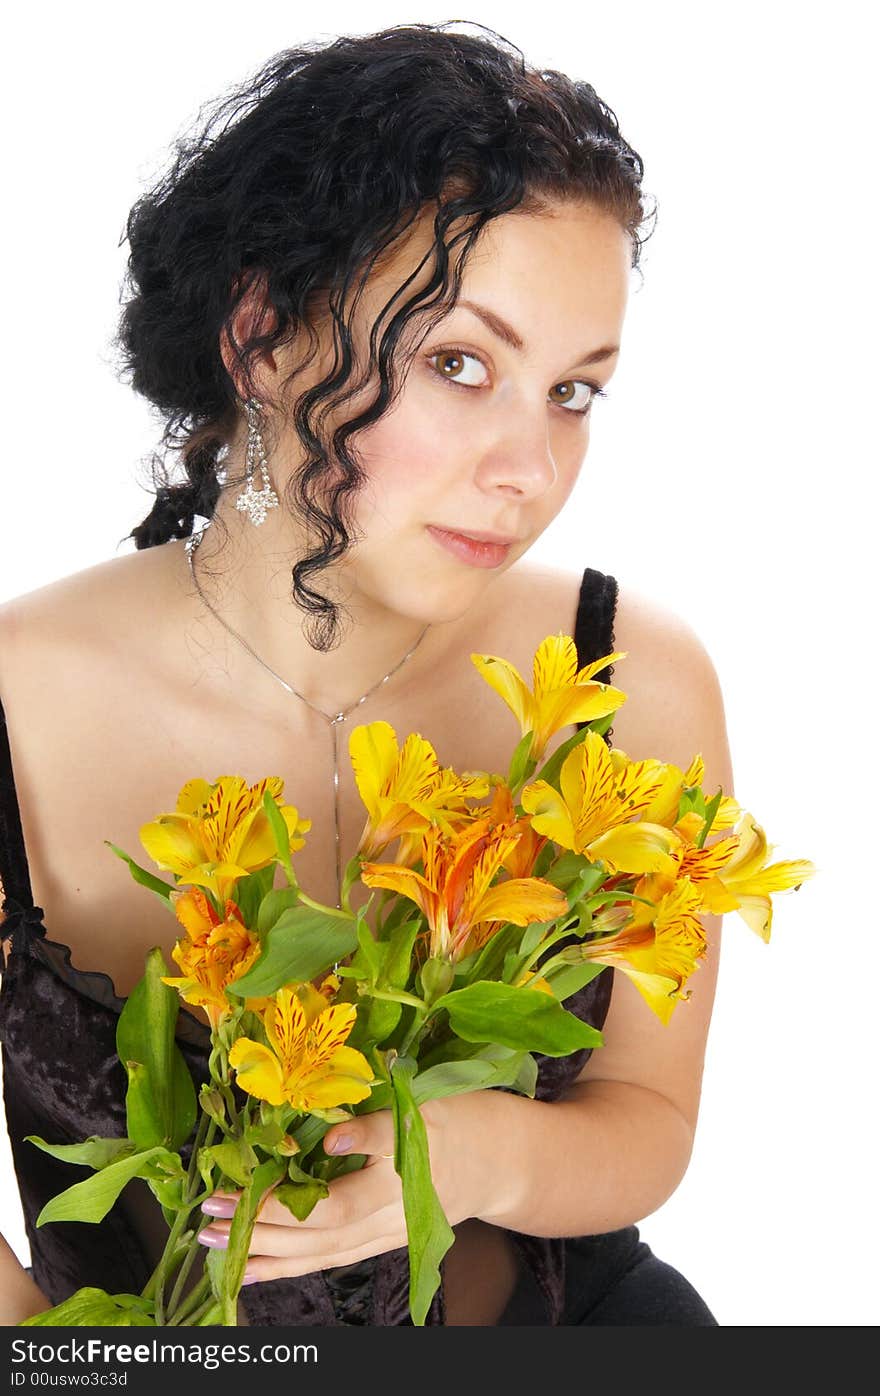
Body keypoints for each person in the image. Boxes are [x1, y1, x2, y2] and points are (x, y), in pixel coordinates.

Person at [0, 21, 731, 1327]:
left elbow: (650, 1118)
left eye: (574, 392)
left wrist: (475, 1150)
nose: (531, 469)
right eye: (462, 363)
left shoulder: (632, 682)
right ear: (264, 339)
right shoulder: (15, 702)